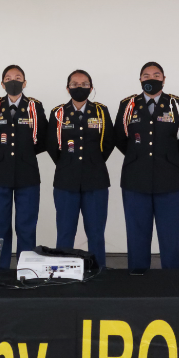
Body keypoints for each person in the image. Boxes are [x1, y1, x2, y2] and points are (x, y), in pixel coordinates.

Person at [114, 62, 179, 270]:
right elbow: (119, 138)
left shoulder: (177, 104)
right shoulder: (128, 105)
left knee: (170, 236)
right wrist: (138, 157)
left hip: (170, 180)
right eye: (146, 75)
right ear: (140, 79)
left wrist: (169, 159)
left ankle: (171, 283)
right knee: (136, 235)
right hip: (135, 179)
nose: (152, 78)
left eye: (157, 75)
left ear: (164, 79)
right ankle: (138, 281)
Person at [0, 65, 49, 270]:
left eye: (18, 77)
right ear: (2, 84)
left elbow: (45, 138)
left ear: (25, 83)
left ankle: (27, 270)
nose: (13, 81)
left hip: (28, 174)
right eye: (8, 78)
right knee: (0, 227)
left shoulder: (35, 106)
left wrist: (26, 154)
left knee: (26, 227)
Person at [48, 70, 114, 268]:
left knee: (95, 232)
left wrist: (92, 162)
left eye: (84, 84)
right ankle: (62, 272)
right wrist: (70, 165)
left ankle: (97, 271)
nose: (79, 87)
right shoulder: (58, 113)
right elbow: (52, 145)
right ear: (68, 88)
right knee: (65, 232)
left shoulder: (101, 111)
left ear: (91, 88)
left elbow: (108, 142)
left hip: (96, 180)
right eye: (75, 83)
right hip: (65, 181)